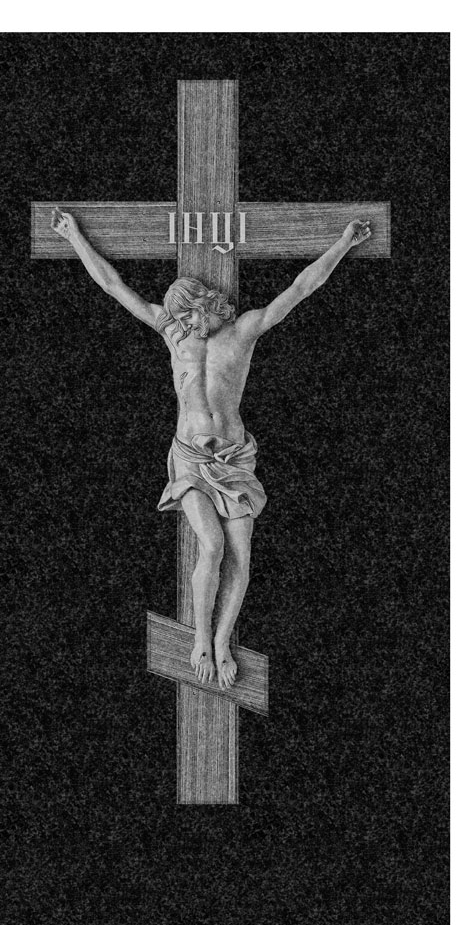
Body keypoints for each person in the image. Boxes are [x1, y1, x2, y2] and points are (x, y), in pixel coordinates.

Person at [49, 206, 372, 690]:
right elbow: (114, 285)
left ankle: (223, 642)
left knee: (241, 556)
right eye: (180, 319)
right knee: (213, 545)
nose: (185, 324)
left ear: (203, 305)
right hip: (191, 458)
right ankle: (201, 638)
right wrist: (74, 236)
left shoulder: (245, 330)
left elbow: (301, 288)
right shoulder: (173, 333)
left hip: (235, 460)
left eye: (189, 316)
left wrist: (344, 243)